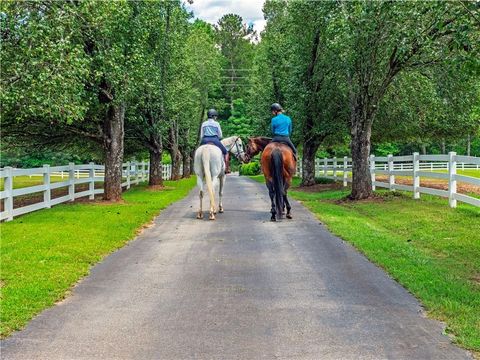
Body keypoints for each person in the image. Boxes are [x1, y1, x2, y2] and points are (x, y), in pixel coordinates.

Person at [200, 108, 230, 173]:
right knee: (226, 152)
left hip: (204, 140)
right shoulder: (217, 124)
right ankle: (226, 168)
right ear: (213, 116)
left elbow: (201, 135)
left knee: (198, 152)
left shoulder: (204, 124)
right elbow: (220, 135)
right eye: (215, 116)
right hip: (214, 140)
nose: (216, 117)